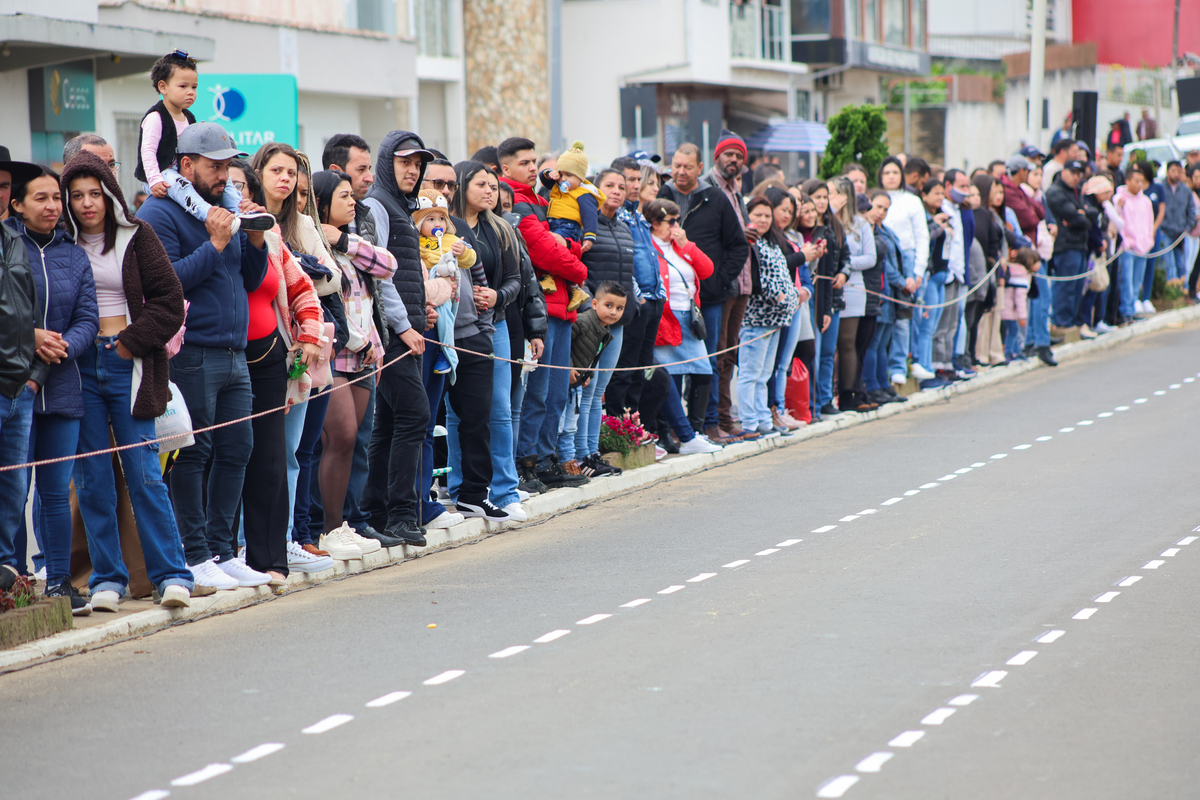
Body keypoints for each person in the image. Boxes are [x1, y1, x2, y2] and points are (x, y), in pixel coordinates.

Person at [137, 122, 271, 593]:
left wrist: (255, 239)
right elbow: (167, 283)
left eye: (229, 166)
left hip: (235, 350)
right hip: (191, 351)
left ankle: (222, 552)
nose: (225, 176)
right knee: (194, 454)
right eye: (215, 167)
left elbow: (249, 279)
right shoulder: (160, 211)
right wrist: (214, 243)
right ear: (187, 164)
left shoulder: (226, 207)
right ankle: (193, 556)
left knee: (237, 450)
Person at [60, 152, 194, 610]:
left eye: (94, 193)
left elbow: (170, 301)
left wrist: (128, 344)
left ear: (110, 195)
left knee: (144, 475)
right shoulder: (62, 244)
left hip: (128, 364)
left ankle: (172, 575)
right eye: (76, 195)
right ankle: (107, 580)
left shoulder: (138, 236)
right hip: (79, 369)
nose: (86, 203)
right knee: (92, 480)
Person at [7, 165, 99, 614]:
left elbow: (88, 318)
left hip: (63, 386)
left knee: (56, 491)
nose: (52, 206)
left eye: (55, 198)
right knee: (13, 490)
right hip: (15, 386)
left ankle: (60, 581)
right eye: (40, 198)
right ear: (17, 205)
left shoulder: (74, 255)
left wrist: (59, 346)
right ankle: (14, 580)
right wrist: (32, 339)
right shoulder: (8, 248)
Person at [359, 130, 442, 546]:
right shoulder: (378, 203)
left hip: (407, 329)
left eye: (417, 164)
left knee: (390, 423)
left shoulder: (401, 206)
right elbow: (380, 274)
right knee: (414, 415)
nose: (412, 170)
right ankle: (402, 514)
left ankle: (377, 511)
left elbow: (403, 274)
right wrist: (404, 324)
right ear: (387, 163)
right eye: (404, 162)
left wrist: (419, 311)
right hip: (393, 334)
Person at [311, 169, 396, 548]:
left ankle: (350, 522)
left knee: (355, 442)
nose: (352, 202)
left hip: (366, 356)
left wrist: (344, 240)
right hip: (336, 353)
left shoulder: (349, 240)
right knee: (340, 437)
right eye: (343, 196)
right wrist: (360, 342)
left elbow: (388, 266)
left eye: (352, 195)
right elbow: (331, 307)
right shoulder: (312, 242)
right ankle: (327, 527)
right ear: (322, 202)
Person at [500, 136, 589, 490]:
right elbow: (545, 252)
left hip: (562, 306)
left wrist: (569, 248)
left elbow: (568, 243)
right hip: (542, 309)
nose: (532, 168)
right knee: (537, 393)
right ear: (505, 168)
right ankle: (527, 462)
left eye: (534, 161)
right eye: (524, 163)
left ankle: (546, 459)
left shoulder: (544, 199)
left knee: (556, 393)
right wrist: (579, 266)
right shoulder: (517, 202)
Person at [657, 139, 749, 441]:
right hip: (668, 299)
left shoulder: (715, 198)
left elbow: (738, 246)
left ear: (700, 167)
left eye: (687, 167)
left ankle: (708, 423)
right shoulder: (661, 195)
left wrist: (718, 281)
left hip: (708, 298)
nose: (681, 172)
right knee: (671, 364)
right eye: (676, 166)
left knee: (708, 360)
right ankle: (674, 427)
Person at [451, 160, 526, 518]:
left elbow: (517, 279)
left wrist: (498, 296)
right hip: (453, 330)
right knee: (457, 413)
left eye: (493, 186)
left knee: (498, 409)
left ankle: (506, 491)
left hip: (495, 327)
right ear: (462, 185)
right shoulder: (444, 225)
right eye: (481, 184)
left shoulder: (502, 229)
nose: (489, 192)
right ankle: (459, 488)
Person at [134, 51, 270, 234]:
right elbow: (148, 152)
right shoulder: (155, 118)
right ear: (163, 87)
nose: (190, 92)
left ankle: (242, 214)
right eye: (183, 86)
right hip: (161, 174)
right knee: (181, 186)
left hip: (179, 172)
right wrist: (154, 180)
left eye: (194, 87)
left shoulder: (189, 117)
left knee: (227, 183)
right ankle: (209, 214)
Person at [570, 168, 637, 475]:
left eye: (622, 186)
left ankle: (592, 453)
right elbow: (578, 268)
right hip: (590, 320)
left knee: (598, 391)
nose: (617, 191)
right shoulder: (587, 226)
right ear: (595, 190)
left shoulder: (624, 228)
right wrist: (589, 307)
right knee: (586, 389)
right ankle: (579, 456)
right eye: (609, 185)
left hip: (617, 323)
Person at [648, 198, 719, 440]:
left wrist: (686, 244)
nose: (676, 226)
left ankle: (695, 429)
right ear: (655, 223)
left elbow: (707, 270)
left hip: (689, 317)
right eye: (671, 221)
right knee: (670, 374)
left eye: (677, 221)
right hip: (666, 317)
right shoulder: (647, 244)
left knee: (703, 371)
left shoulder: (680, 244)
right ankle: (671, 433)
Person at [0, 156, 38, 592]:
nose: (1, 193)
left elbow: (32, 311)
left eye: (5, 185)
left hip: (19, 388)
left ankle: (6, 576)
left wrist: (35, 373)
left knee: (14, 491)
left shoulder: (14, 239)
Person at [605, 158, 665, 420]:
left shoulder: (638, 215)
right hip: (635, 303)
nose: (635, 185)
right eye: (630, 180)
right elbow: (624, 262)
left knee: (642, 368)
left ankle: (633, 424)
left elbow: (649, 256)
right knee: (625, 368)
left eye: (637, 179)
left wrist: (660, 294)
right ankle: (619, 425)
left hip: (654, 299)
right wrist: (637, 296)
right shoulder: (618, 216)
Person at [739, 196, 800, 434]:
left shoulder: (772, 243)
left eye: (767, 215)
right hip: (756, 319)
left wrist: (790, 300)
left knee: (764, 374)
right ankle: (749, 422)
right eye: (758, 215)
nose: (763, 220)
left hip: (777, 319)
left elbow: (783, 276)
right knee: (750, 374)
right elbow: (761, 281)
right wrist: (781, 298)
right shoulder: (749, 244)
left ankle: (763, 420)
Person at [878, 156, 928, 385]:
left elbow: (922, 236)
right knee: (884, 317)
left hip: (907, 259)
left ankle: (900, 364)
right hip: (882, 259)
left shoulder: (912, 201)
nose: (891, 177)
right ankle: (884, 369)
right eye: (886, 172)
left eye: (895, 172)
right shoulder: (875, 198)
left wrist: (918, 271)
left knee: (904, 317)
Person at [415, 190, 474, 374]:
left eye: (441, 218)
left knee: (447, 317)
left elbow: (470, 260)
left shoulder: (452, 240)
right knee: (439, 319)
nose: (437, 224)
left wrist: (463, 252)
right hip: (430, 287)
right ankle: (444, 349)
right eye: (430, 219)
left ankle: (446, 351)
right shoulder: (416, 241)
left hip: (450, 288)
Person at [834, 184, 879, 411]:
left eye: (833, 193)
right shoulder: (827, 220)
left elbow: (871, 258)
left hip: (853, 286)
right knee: (829, 345)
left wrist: (844, 264)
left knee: (847, 342)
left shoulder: (860, 224)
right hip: (829, 285)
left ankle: (848, 394)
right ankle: (827, 395)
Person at [862, 189, 910, 406]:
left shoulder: (885, 231)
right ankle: (872, 387)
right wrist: (902, 282)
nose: (881, 212)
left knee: (882, 343)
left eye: (885, 209)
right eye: (878, 206)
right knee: (872, 344)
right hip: (877, 293)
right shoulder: (866, 230)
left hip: (890, 294)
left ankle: (883, 385)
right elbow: (884, 265)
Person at [539, 141, 598, 311]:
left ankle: (556, 280)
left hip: (569, 227)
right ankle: (572, 287)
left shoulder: (584, 193)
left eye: (569, 175)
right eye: (562, 174)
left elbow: (590, 215)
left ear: (580, 177)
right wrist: (549, 174)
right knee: (555, 251)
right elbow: (543, 180)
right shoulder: (559, 187)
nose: (564, 179)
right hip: (555, 225)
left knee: (556, 251)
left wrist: (590, 236)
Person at [1045, 159, 1098, 330]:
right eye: (1072, 173)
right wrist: (1081, 216)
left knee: (1077, 287)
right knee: (1065, 287)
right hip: (1065, 246)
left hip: (1080, 245)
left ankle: (1071, 321)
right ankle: (1062, 322)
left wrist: (1083, 214)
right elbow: (1075, 217)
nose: (1076, 177)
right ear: (1063, 172)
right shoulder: (1055, 192)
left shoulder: (1076, 191)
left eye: (1079, 174)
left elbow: (1092, 213)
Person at [1115, 162, 1156, 321]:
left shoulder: (1145, 201)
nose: (1139, 184)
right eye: (1136, 181)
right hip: (1128, 246)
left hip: (1143, 246)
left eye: (1141, 181)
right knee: (1126, 279)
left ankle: (1133, 307)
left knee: (1137, 280)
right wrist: (1125, 241)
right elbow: (1119, 220)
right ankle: (1125, 310)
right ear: (1128, 181)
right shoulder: (1120, 198)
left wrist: (1149, 240)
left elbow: (1149, 222)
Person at [1160, 160, 1197, 288]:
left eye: (1178, 171)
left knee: (1181, 264)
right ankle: (1169, 290)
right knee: (1167, 264)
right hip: (1165, 231)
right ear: (1167, 172)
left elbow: (1191, 211)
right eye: (1173, 171)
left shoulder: (1186, 190)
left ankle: (1182, 290)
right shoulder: (1161, 188)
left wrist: (1187, 228)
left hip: (1181, 233)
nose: (1175, 174)